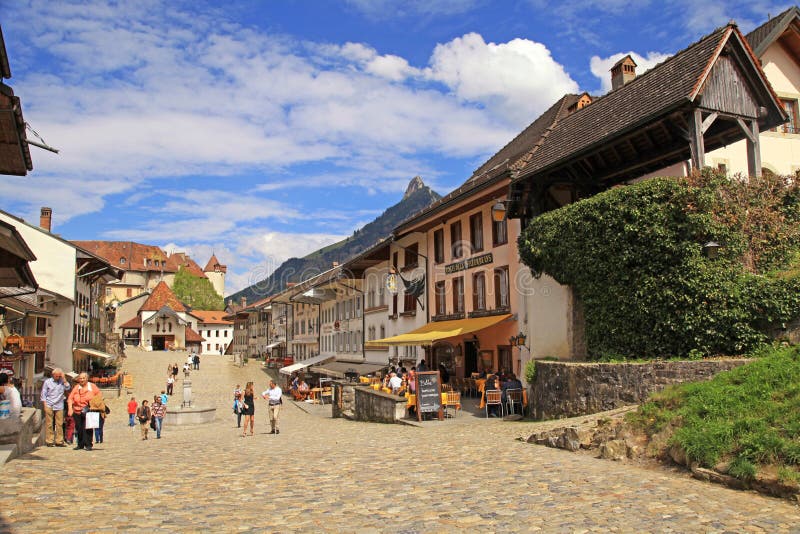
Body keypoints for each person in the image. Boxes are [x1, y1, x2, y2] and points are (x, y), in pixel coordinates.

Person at [66, 372, 98, 450]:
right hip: (77, 411)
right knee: (79, 428)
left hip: (89, 410)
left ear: (87, 379)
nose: (82, 380)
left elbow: (99, 397)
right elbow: (70, 398)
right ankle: (80, 444)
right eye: (80, 378)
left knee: (88, 428)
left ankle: (88, 444)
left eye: (83, 378)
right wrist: (70, 408)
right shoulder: (76, 387)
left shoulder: (92, 386)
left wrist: (94, 405)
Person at [40, 368, 71, 446]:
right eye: (56, 376)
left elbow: (68, 388)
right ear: (53, 375)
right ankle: (49, 441)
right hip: (49, 404)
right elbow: (43, 393)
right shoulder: (47, 382)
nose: (58, 377)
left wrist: (64, 379)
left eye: (59, 376)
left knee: (59, 423)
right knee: (49, 423)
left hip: (59, 404)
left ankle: (59, 441)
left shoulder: (62, 382)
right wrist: (44, 405)